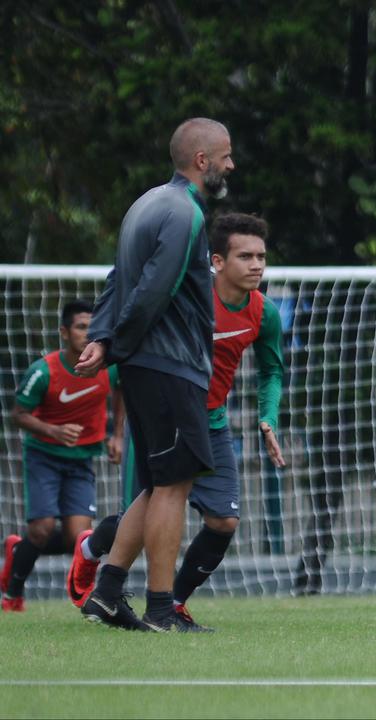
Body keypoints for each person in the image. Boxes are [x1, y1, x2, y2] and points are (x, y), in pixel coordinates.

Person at [67, 213, 286, 629]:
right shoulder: (185, 298)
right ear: (217, 261)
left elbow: (272, 371)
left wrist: (268, 417)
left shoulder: (264, 313)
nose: (256, 265)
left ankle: (162, 602)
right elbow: (131, 317)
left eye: (261, 256)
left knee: (222, 520)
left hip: (213, 423)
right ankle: (101, 564)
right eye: (245, 256)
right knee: (150, 502)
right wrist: (103, 344)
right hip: (165, 414)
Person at [74, 117, 233, 631]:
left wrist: (103, 338)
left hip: (145, 366)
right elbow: (151, 291)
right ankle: (162, 610)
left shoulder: (145, 203)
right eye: (226, 156)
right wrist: (115, 344)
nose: (231, 165)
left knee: (156, 482)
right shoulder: (185, 213)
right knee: (174, 485)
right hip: (171, 367)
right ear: (202, 161)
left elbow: (117, 279)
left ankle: (106, 593)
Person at [0, 301, 125, 612]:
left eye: (93, 328)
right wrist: (53, 431)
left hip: (82, 459)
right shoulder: (43, 371)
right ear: (64, 332)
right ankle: (13, 594)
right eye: (81, 327)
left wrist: (118, 435)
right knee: (41, 529)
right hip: (44, 456)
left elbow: (121, 390)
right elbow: (18, 415)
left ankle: (19, 550)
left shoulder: (108, 367)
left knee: (76, 538)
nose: (88, 334)